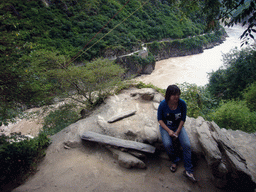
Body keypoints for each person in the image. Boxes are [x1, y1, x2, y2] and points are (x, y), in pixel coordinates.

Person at [157, 84, 196, 182]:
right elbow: (160, 120)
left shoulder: (182, 104)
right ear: (168, 95)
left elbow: (183, 119)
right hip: (166, 127)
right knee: (167, 144)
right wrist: (169, 131)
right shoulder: (163, 105)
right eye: (174, 95)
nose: (177, 97)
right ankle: (174, 160)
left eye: (178, 94)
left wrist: (177, 132)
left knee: (186, 145)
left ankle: (188, 170)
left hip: (178, 126)